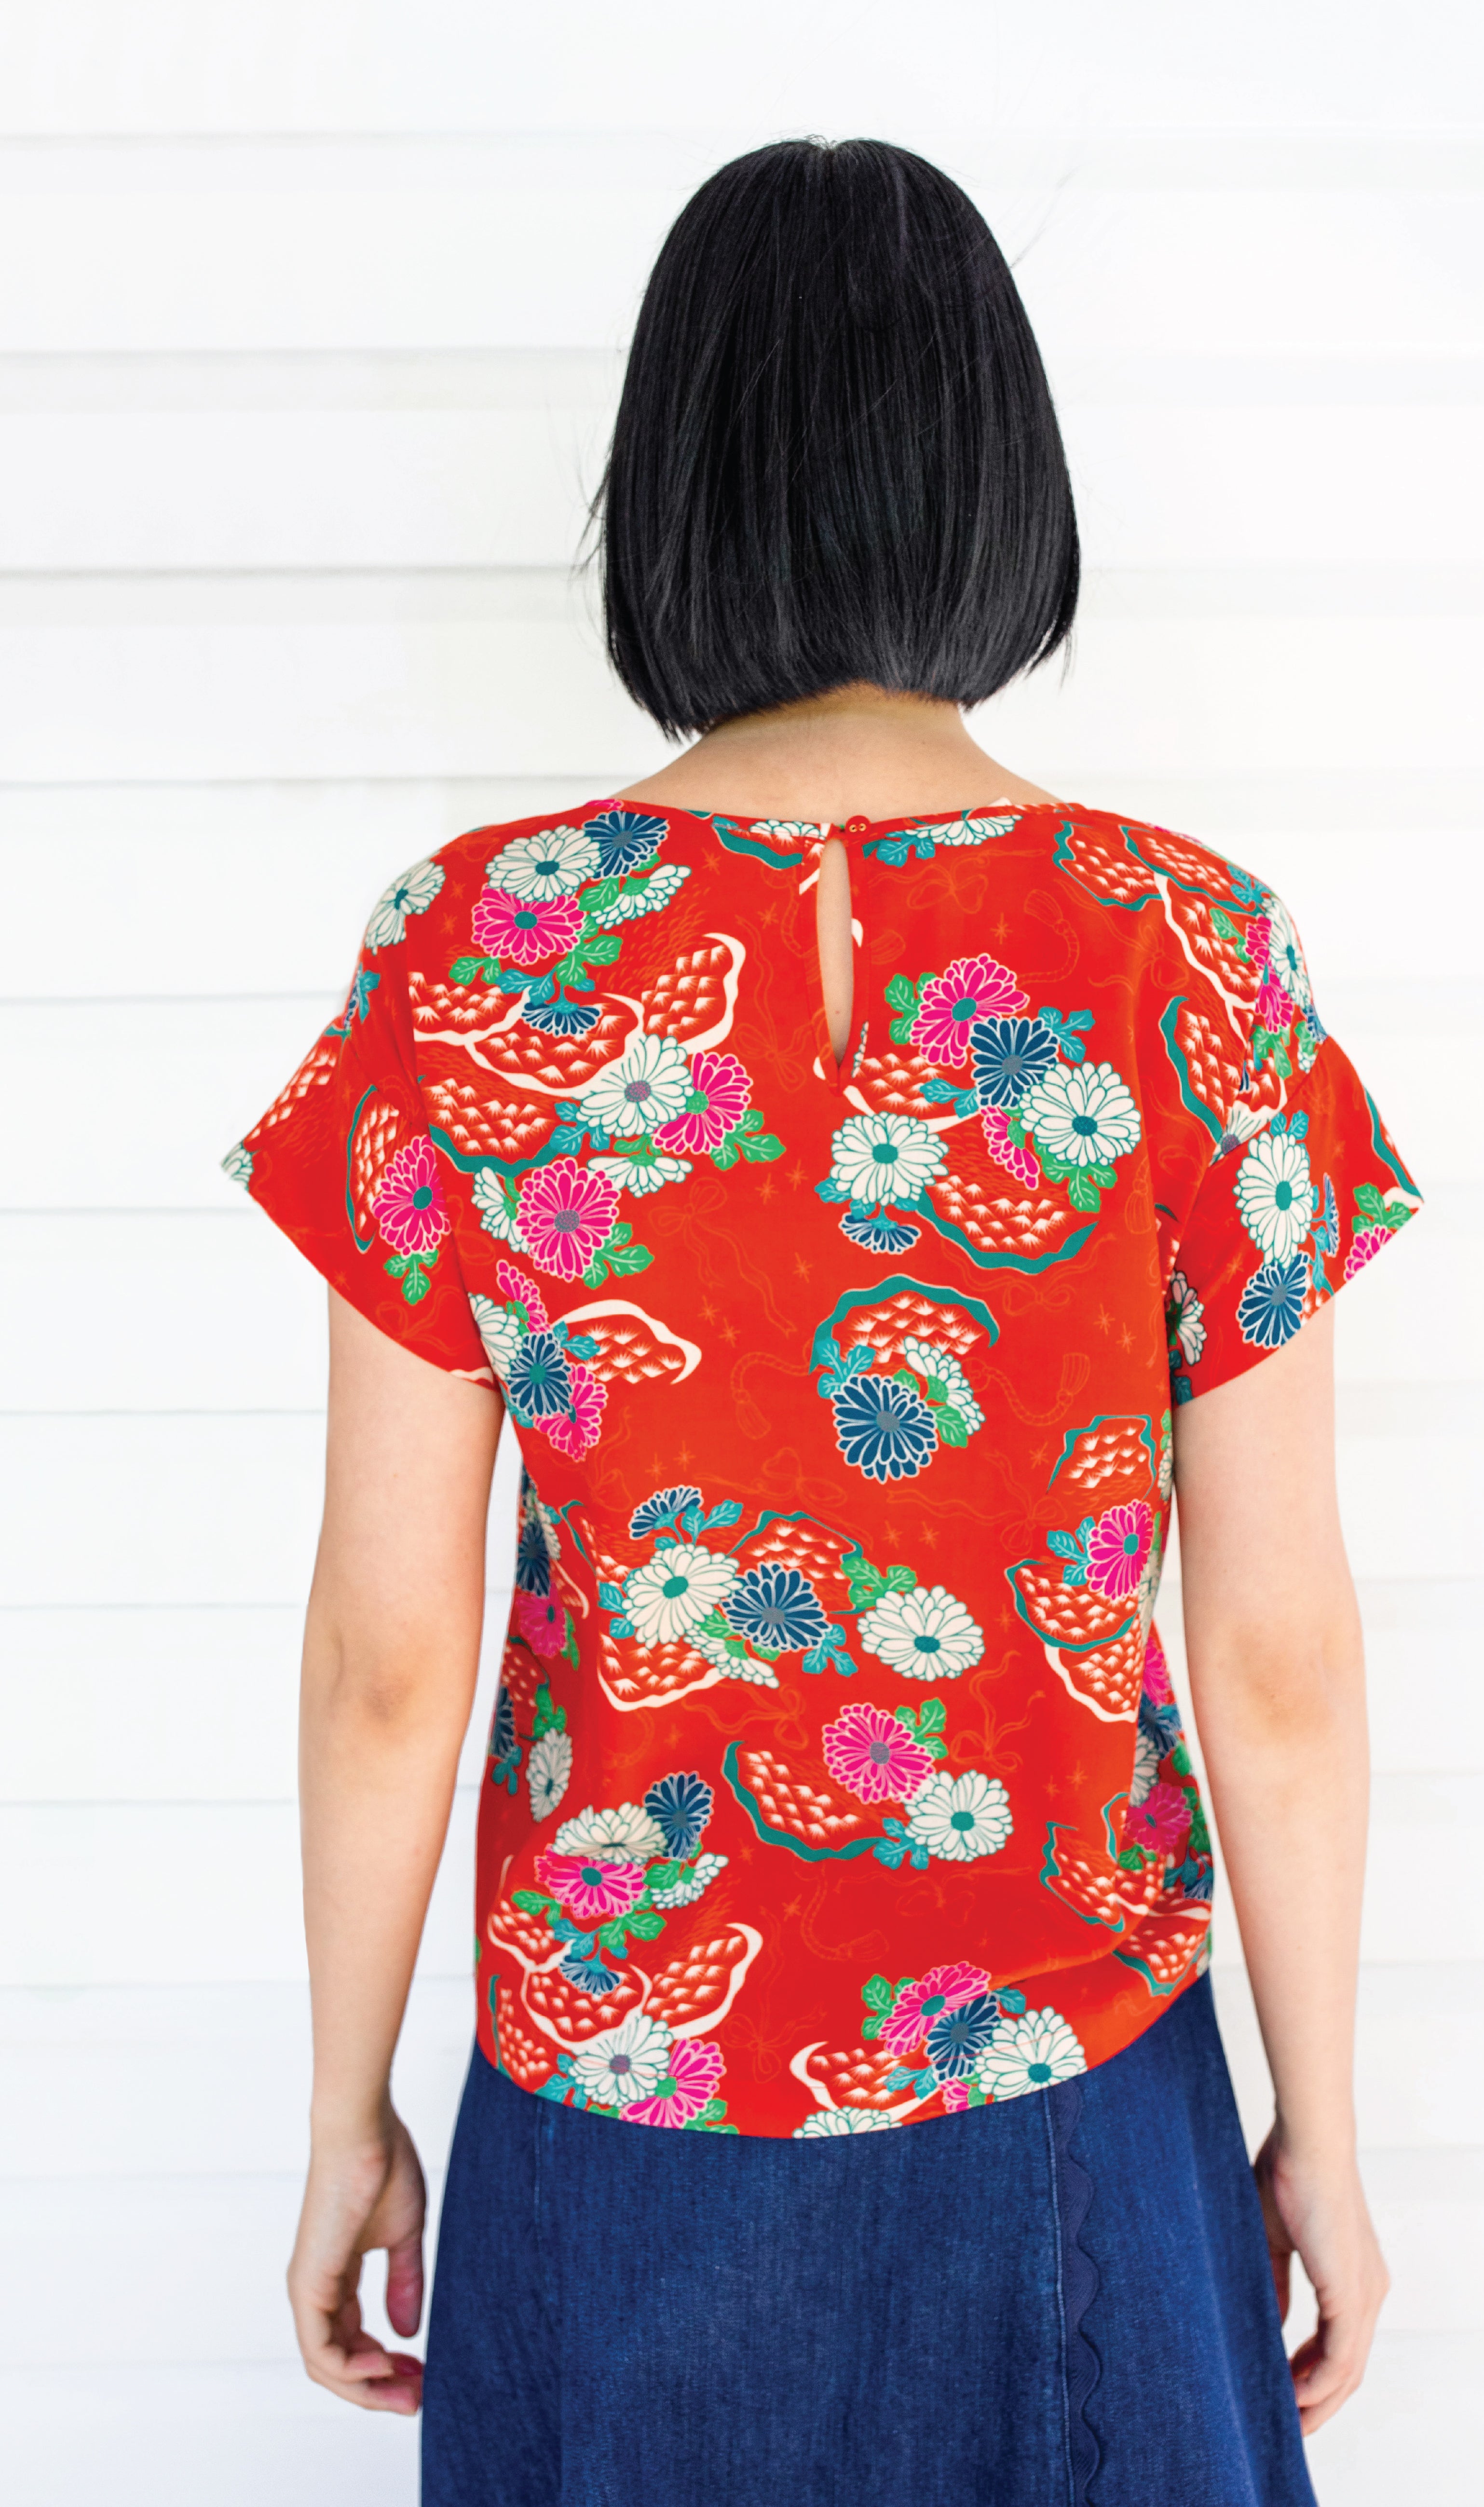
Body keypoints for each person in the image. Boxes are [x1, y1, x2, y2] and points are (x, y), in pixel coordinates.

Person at [228, 138, 1414, 2506]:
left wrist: (349, 2109)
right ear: (1000, 484)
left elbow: (386, 1654)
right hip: (1080, 2095)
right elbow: (1273, 1651)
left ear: (671, 491)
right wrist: (1323, 2130)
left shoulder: (472, 957)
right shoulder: (1185, 949)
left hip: (610, 2110)